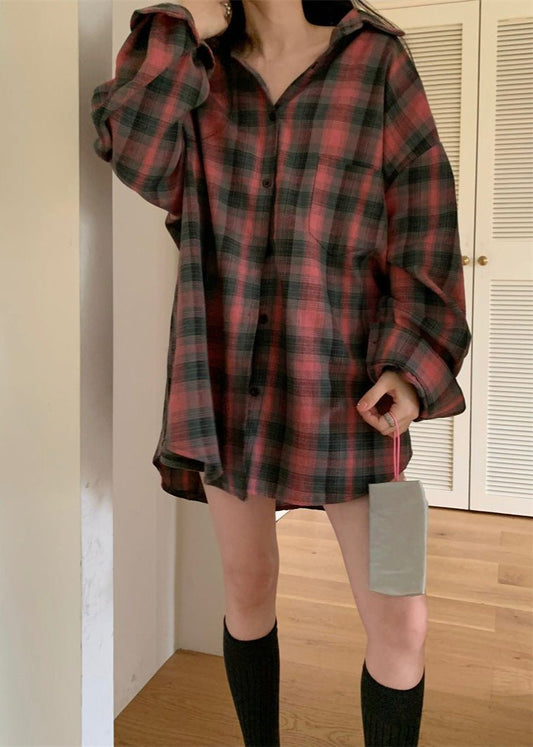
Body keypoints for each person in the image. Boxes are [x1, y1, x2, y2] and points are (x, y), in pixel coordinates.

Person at [91, 1, 472, 744]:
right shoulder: (199, 70)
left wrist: (413, 364)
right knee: (246, 583)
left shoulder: (378, 60)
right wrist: (178, 25)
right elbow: (130, 147)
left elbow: (426, 219)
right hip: (223, 377)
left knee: (402, 614)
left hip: (361, 394)